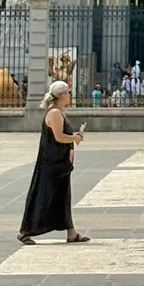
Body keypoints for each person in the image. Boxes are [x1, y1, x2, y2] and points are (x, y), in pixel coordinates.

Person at [18, 81, 89, 244]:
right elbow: (59, 137)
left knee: (62, 196)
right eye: (68, 93)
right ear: (61, 95)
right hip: (52, 162)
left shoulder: (59, 112)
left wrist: (74, 135)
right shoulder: (55, 113)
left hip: (60, 161)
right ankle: (26, 230)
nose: (70, 96)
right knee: (46, 196)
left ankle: (71, 232)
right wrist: (74, 137)